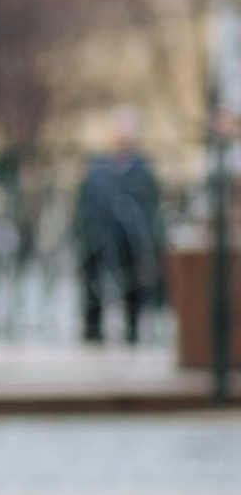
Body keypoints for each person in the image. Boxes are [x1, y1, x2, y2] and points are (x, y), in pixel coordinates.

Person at [76, 108, 164, 346]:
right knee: (93, 278)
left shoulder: (141, 166)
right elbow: (85, 198)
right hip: (98, 231)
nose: (120, 135)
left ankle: (132, 327)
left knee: (132, 277)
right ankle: (92, 327)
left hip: (129, 234)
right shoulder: (98, 165)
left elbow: (150, 200)